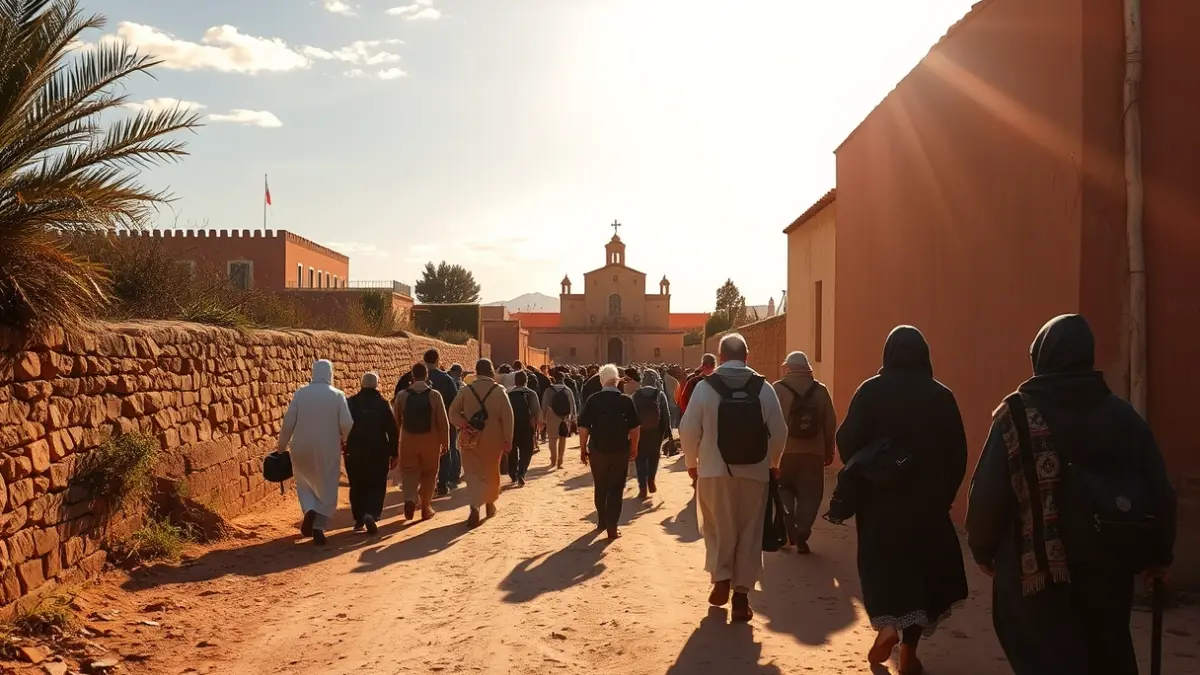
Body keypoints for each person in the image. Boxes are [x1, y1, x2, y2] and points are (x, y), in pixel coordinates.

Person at [965, 314, 1176, 675]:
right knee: (1104, 652)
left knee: (1045, 658)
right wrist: (1159, 554)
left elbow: (988, 491)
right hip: (1108, 564)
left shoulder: (1015, 414)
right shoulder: (1122, 417)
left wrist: (982, 547)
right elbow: (1158, 487)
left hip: (1035, 575)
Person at [835, 326, 969, 673]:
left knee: (881, 567)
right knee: (919, 574)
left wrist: (868, 468)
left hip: (878, 502)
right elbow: (958, 454)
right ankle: (909, 648)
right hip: (926, 505)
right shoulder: (941, 397)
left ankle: (886, 627)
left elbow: (847, 440)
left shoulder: (870, 391)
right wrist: (944, 494)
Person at [679, 334, 787, 622]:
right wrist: (773, 463)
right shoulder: (763, 388)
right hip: (755, 473)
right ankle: (741, 596)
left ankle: (721, 577)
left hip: (714, 471)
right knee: (750, 533)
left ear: (720, 356)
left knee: (716, 527)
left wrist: (692, 463)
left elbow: (688, 429)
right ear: (747, 356)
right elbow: (779, 432)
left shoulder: (704, 388)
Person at [277, 359, 354, 546]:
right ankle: (319, 526)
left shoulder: (301, 393)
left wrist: (281, 447)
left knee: (304, 482)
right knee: (326, 485)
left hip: (300, 447)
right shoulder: (337, 395)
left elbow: (288, 423)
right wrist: (346, 440)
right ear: (330, 373)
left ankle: (309, 509)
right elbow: (347, 423)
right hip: (327, 448)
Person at [772, 351, 837, 553]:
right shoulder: (821, 391)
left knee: (782, 489)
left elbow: (768, 422)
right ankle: (802, 532)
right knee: (810, 495)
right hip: (813, 453)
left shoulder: (777, 389)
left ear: (788, 368)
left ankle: (787, 520)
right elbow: (830, 423)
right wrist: (828, 450)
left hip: (783, 453)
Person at [448, 359, 514, 528]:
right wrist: (508, 439)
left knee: (472, 473)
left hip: (470, 436)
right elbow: (508, 417)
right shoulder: (499, 391)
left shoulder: (466, 390)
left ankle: (475, 505)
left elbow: (453, 412)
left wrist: (463, 424)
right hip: (493, 438)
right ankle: (490, 502)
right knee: (491, 471)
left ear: (476, 372)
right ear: (492, 372)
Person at [577, 363, 640, 540]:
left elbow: (584, 427)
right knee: (616, 488)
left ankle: (602, 521)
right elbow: (635, 428)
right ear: (617, 381)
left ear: (601, 381)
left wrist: (583, 448)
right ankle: (612, 527)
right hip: (620, 450)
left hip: (598, 450)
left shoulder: (593, 400)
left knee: (601, 486)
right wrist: (634, 447)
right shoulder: (625, 400)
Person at [393, 362, 451, 521]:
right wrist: (445, 443)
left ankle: (410, 499)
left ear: (412, 376)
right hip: (430, 442)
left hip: (408, 441)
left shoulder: (402, 395)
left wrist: (395, 442)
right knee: (430, 474)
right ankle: (425, 507)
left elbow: (396, 421)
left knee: (409, 472)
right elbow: (443, 421)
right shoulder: (434, 395)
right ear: (426, 376)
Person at [344, 372, 399, 535]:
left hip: (354, 451)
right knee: (376, 484)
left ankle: (359, 518)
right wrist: (394, 452)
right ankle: (372, 513)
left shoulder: (351, 403)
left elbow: (343, 425)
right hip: (378, 452)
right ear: (376, 385)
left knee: (357, 485)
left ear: (361, 384)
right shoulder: (382, 404)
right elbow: (392, 430)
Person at [415, 349, 459, 498]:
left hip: (421, 423)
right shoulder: (446, 379)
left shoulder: (415, 377)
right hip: (444, 420)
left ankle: (424, 483)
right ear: (437, 360)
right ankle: (442, 484)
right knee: (446, 450)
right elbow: (455, 400)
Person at [632, 369, 671, 499]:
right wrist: (668, 432)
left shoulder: (636, 395)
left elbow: (631, 413)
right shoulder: (659, 394)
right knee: (654, 456)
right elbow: (666, 414)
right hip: (656, 431)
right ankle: (651, 479)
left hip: (640, 431)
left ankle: (642, 486)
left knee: (640, 457)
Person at [506, 370, 541, 486]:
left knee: (512, 451)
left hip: (511, 426)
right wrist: (538, 425)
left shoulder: (508, 393)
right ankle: (521, 472)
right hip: (526, 426)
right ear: (526, 381)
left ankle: (513, 473)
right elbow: (536, 411)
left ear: (515, 381)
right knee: (527, 451)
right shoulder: (530, 393)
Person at [541, 370, 577, 469]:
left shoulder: (548, 390)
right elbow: (572, 404)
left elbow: (544, 405)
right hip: (565, 416)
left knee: (552, 439)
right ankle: (560, 461)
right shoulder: (567, 390)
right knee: (563, 438)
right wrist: (573, 417)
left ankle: (553, 460)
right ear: (563, 379)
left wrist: (543, 418)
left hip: (552, 414)